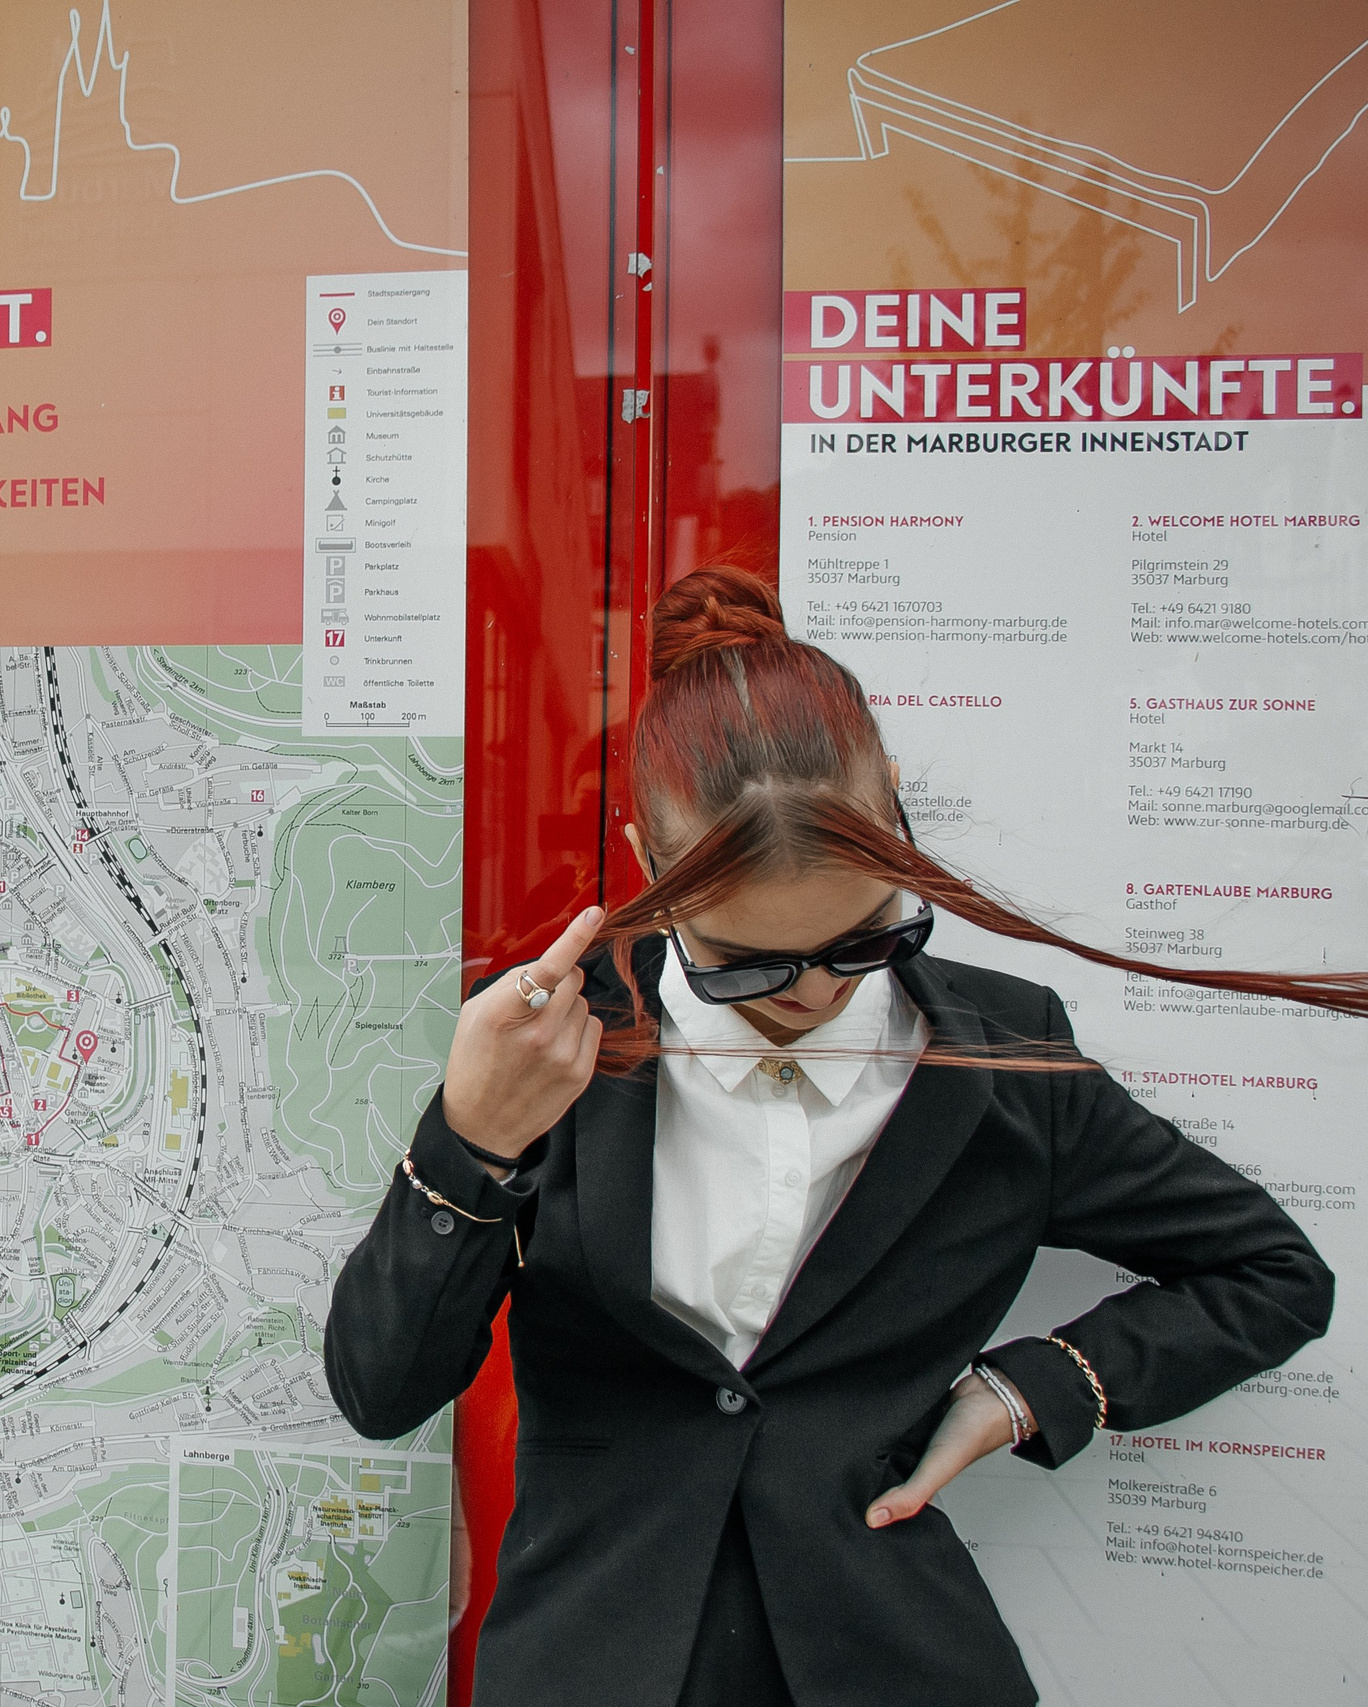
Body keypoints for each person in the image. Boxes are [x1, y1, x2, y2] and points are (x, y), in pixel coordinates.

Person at [324, 567, 1348, 1706]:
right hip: (586, 1658)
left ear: (895, 817)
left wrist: (1029, 1391)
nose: (812, 994)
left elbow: (1271, 1274)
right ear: (648, 866)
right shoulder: (557, 1052)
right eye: (749, 962)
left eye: (864, 941)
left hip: (891, 1661)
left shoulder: (1004, 1057)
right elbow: (381, 1390)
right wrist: (475, 1143)